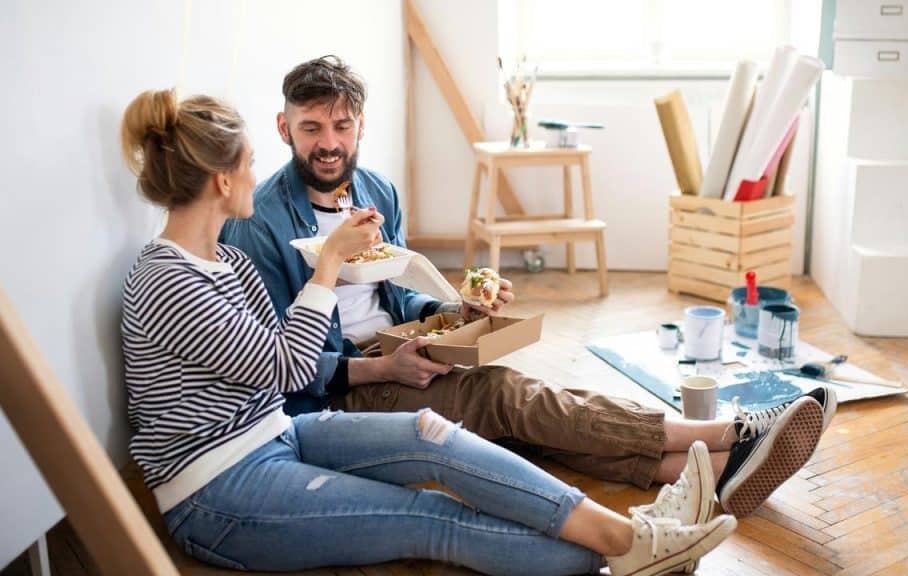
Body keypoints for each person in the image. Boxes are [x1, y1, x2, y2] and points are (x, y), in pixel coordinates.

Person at [119, 87, 750, 575]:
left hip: (275, 435)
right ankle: (632, 544)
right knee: (430, 517)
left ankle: (642, 537)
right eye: (250, 163)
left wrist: (446, 309)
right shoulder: (167, 280)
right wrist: (333, 260)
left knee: (433, 435)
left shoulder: (222, 262)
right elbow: (287, 368)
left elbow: (284, 352)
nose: (258, 174)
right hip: (216, 490)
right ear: (223, 181)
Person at [220, 55, 835, 516]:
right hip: (341, 396)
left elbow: (400, 294)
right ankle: (735, 433)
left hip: (404, 355)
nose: (329, 144)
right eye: (311, 128)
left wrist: (455, 310)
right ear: (283, 127)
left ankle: (711, 475)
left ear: (360, 126)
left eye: (342, 126)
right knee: (507, 398)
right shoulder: (262, 222)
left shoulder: (378, 192)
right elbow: (285, 364)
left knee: (525, 421)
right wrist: (385, 370)